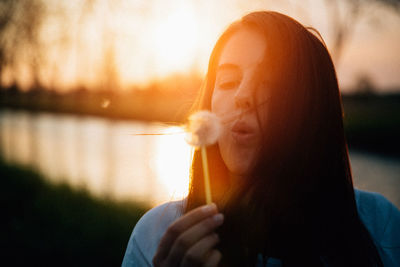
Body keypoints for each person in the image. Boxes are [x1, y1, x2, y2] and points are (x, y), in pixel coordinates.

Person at [122, 11, 400, 267]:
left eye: (271, 82)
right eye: (228, 81)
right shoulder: (155, 235)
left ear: (311, 106)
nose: (242, 95)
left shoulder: (381, 225)